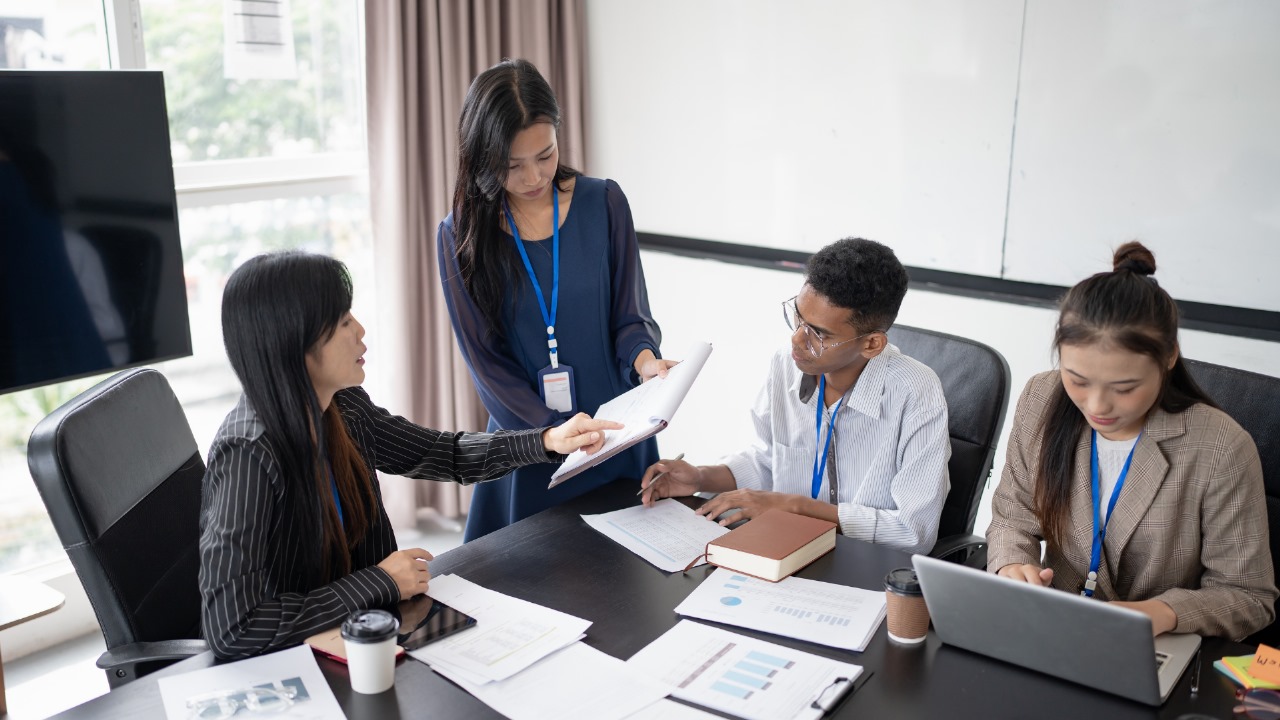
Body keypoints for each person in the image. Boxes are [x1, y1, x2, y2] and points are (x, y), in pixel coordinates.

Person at [199, 251, 618, 660]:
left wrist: (547, 440)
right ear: (295, 343)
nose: (360, 331)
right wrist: (378, 582)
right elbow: (234, 627)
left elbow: (444, 453)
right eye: (343, 322)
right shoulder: (248, 454)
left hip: (367, 637)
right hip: (297, 667)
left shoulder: (342, 406)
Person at [986, 242, 1276, 640]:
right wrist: (1011, 564)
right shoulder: (1041, 399)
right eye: (1078, 380)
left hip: (1151, 645)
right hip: (1050, 629)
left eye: (1124, 388)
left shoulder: (1220, 447)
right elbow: (1012, 516)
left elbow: (1248, 595)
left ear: (1169, 356)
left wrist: (1161, 613)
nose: (1096, 405)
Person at [437, 58, 675, 541]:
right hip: (530, 441)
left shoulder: (603, 202)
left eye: (545, 155)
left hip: (614, 430)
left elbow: (629, 315)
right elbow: (488, 365)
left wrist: (646, 360)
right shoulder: (460, 235)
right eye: (511, 165)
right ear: (482, 157)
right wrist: (548, 433)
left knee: (632, 590)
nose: (533, 177)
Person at [640, 238, 951, 554]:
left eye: (819, 334)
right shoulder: (785, 364)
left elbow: (914, 533)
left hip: (866, 565)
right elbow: (769, 461)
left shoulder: (916, 392)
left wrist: (795, 507)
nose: (797, 339)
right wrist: (700, 477)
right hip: (786, 548)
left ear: (871, 344)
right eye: (799, 317)